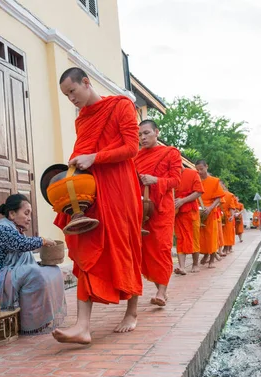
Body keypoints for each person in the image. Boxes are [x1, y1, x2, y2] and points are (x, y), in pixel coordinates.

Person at [52, 67, 143, 344]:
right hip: (91, 190)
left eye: (73, 91)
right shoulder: (82, 120)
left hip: (120, 187)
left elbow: (131, 148)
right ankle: (82, 326)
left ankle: (132, 311)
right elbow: (83, 150)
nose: (71, 99)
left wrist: (95, 158)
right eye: (66, 95)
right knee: (85, 244)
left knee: (125, 244)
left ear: (86, 82)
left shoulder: (121, 105)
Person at [0, 194, 66, 334]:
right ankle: (29, 323)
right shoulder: (3, 229)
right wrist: (43, 241)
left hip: (7, 275)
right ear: (12, 214)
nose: (29, 218)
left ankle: (42, 317)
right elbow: (21, 244)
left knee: (52, 270)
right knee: (33, 272)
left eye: (30, 214)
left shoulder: (17, 231)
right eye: (26, 213)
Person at [135, 120, 181, 306]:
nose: (143, 138)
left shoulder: (170, 153)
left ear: (156, 132)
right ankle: (160, 289)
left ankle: (162, 292)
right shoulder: (136, 157)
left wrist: (156, 180)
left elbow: (176, 180)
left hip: (162, 209)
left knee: (161, 248)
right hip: (142, 209)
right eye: (139, 135)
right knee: (146, 252)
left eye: (146, 133)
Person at [174, 167, 204, 274]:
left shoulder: (192, 173)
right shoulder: (170, 174)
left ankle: (195, 264)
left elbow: (199, 192)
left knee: (194, 237)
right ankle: (182, 267)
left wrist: (183, 200)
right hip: (178, 212)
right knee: (180, 238)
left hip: (191, 211)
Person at [195, 160, 224, 269]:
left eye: (201, 169)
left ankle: (212, 260)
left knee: (212, 237)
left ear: (206, 166)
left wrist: (210, 208)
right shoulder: (196, 180)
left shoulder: (214, 181)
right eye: (197, 169)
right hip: (198, 211)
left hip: (211, 211)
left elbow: (219, 197)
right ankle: (204, 255)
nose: (199, 171)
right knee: (200, 237)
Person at [220, 183, 237, 255]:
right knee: (220, 233)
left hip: (227, 216)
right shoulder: (216, 194)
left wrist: (232, 215)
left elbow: (232, 207)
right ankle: (220, 249)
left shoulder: (229, 195)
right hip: (218, 215)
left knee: (227, 233)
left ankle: (226, 248)